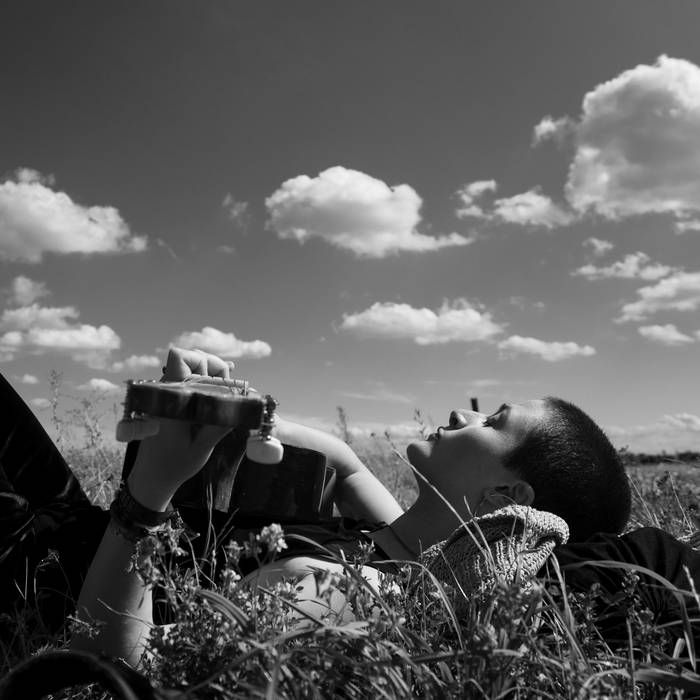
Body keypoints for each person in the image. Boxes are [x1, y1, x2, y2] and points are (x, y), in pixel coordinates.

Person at [68, 347, 635, 665]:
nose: (463, 414)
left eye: (493, 421)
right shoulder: (401, 538)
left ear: (506, 498)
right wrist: (227, 409)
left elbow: (121, 658)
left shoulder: (352, 592)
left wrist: (150, 490)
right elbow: (344, 463)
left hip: (51, 564)